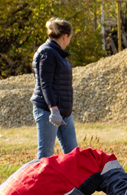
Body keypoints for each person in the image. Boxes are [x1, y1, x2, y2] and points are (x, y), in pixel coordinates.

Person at [31, 18, 77, 160]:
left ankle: (72, 183)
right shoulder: (47, 53)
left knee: (73, 154)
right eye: (70, 37)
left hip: (63, 111)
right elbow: (46, 84)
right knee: (45, 154)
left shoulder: (58, 54)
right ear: (65, 36)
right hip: (48, 110)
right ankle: (39, 182)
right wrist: (54, 109)